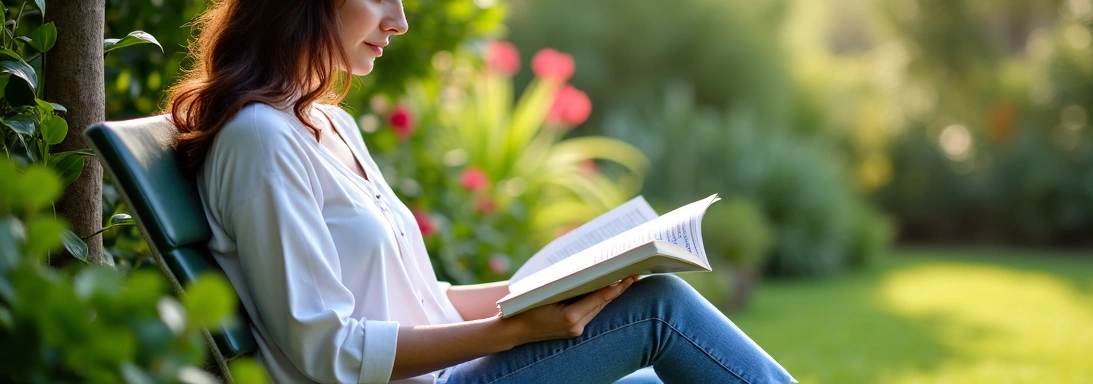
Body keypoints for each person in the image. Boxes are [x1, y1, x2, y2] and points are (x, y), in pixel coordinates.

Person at [168, 0, 795, 383]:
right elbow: (325, 348)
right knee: (661, 309)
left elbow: (416, 299)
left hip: (450, 373)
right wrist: (512, 333)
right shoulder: (260, 142)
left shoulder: (330, 124)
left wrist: (564, 286)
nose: (401, 19)